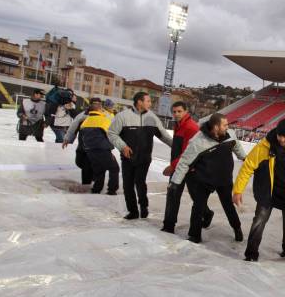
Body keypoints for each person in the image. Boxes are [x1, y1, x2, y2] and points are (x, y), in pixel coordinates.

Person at [233, 118, 285, 261]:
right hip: (269, 191)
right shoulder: (265, 146)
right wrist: (238, 190)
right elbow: (247, 167)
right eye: (279, 135)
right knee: (259, 220)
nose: (281, 139)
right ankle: (251, 254)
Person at [167, 113, 246, 242]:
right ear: (216, 127)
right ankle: (194, 235)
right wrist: (175, 183)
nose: (228, 127)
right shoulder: (198, 141)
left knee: (228, 206)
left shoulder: (230, 135)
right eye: (225, 125)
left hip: (223, 179)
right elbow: (184, 162)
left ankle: (237, 228)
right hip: (204, 180)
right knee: (198, 207)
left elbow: (238, 148)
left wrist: (246, 159)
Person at [108, 91, 172, 219]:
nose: (150, 103)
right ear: (139, 102)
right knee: (128, 184)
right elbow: (112, 133)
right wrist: (122, 146)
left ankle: (143, 206)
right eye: (148, 101)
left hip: (144, 158)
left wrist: (178, 147)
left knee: (140, 182)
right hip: (128, 157)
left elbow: (164, 136)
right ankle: (133, 211)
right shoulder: (123, 116)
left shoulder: (152, 118)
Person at [161, 102, 214, 234]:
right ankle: (169, 225)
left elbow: (187, 153)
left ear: (186, 112)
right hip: (179, 166)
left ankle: (207, 214)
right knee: (173, 194)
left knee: (195, 196)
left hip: (189, 168)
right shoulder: (178, 125)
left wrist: (172, 166)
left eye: (179, 111)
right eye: (174, 112)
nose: (176, 114)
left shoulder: (191, 127)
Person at [79, 101, 119, 195]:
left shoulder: (85, 121)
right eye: (102, 109)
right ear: (99, 110)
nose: (103, 110)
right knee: (114, 168)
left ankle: (96, 190)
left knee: (99, 170)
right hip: (102, 149)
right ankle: (112, 191)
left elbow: (82, 137)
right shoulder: (103, 120)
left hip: (89, 151)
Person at [63, 97, 105, 185]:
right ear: (90, 105)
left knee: (92, 166)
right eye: (95, 103)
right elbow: (73, 127)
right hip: (84, 146)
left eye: (99, 104)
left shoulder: (105, 116)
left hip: (99, 147)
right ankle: (88, 182)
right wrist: (68, 139)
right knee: (81, 162)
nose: (97, 106)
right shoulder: (82, 116)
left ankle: (91, 185)